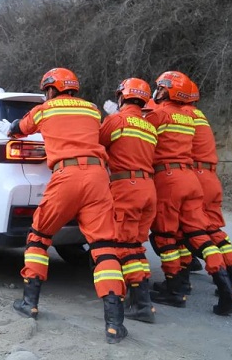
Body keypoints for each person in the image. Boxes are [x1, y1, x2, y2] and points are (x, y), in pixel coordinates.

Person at [2, 67, 128, 344]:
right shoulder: (93, 109)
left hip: (66, 176)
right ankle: (114, 323)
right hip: (97, 177)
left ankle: (29, 303)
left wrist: (8, 127)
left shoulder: (44, 110)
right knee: (104, 246)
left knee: (39, 236)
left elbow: (17, 131)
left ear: (50, 89)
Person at [145, 71, 232, 316]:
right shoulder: (189, 117)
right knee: (201, 235)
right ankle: (229, 289)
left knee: (165, 236)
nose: (158, 90)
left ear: (166, 90)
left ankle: (175, 290)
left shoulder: (159, 114)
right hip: (191, 179)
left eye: (160, 87)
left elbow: (138, 139)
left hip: (169, 179)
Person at [181, 81, 232, 299]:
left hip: (196, 177)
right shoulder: (197, 114)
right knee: (213, 229)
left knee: (187, 229)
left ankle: (189, 281)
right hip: (210, 177)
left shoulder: (182, 114)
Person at [99, 78, 158, 323]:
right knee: (135, 246)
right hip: (147, 189)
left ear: (122, 97)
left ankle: (142, 305)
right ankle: (142, 302)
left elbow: (98, 144)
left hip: (127, 187)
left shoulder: (117, 120)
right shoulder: (149, 127)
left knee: (123, 246)